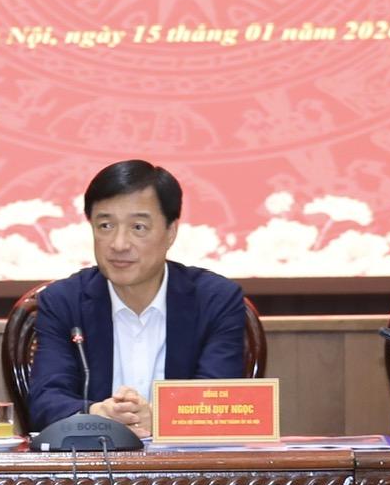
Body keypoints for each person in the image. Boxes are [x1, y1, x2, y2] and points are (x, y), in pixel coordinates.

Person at [23, 160, 253, 433]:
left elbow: (221, 401)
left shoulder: (215, 300)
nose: (119, 244)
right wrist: (97, 415)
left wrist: (161, 418)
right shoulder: (64, 302)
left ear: (171, 232)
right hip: (93, 460)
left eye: (138, 227)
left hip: (187, 460)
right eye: (105, 225)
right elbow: (45, 402)